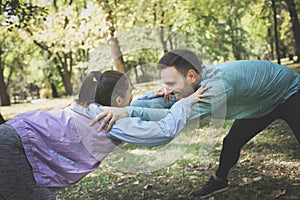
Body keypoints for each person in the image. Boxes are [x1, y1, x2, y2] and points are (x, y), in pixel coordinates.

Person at [93, 49, 300, 198]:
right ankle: (220, 181)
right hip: (261, 104)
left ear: (191, 76)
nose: (167, 88)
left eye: (171, 83)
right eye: (165, 83)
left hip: (289, 92)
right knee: (232, 142)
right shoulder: (195, 81)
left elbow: (172, 118)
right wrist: (134, 104)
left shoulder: (214, 89)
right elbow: (171, 103)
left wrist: (126, 111)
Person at [0, 70, 211, 200]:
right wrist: (185, 102)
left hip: (15, 134)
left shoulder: (94, 107)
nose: (133, 96)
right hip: (12, 148)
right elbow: (164, 132)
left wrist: (157, 98)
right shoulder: (110, 121)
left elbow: (133, 106)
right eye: (131, 92)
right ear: (118, 101)